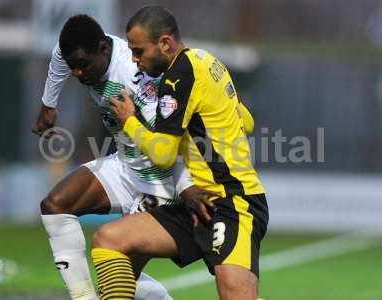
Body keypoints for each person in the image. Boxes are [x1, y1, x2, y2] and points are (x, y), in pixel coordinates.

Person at [91, 5, 268, 300]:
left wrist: (129, 120)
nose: (134, 61)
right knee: (110, 239)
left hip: (232, 203)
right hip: (198, 205)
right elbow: (246, 120)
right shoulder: (207, 61)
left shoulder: (177, 77)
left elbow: (162, 154)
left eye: (139, 51)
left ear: (165, 43)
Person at [32, 14, 213, 300]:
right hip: (125, 165)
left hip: (162, 182)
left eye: (82, 65)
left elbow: (173, 140)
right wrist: (48, 105)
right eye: (73, 67)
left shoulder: (134, 77)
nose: (77, 73)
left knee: (118, 282)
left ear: (103, 49)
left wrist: (185, 186)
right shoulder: (78, 53)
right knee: (55, 206)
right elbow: (58, 58)